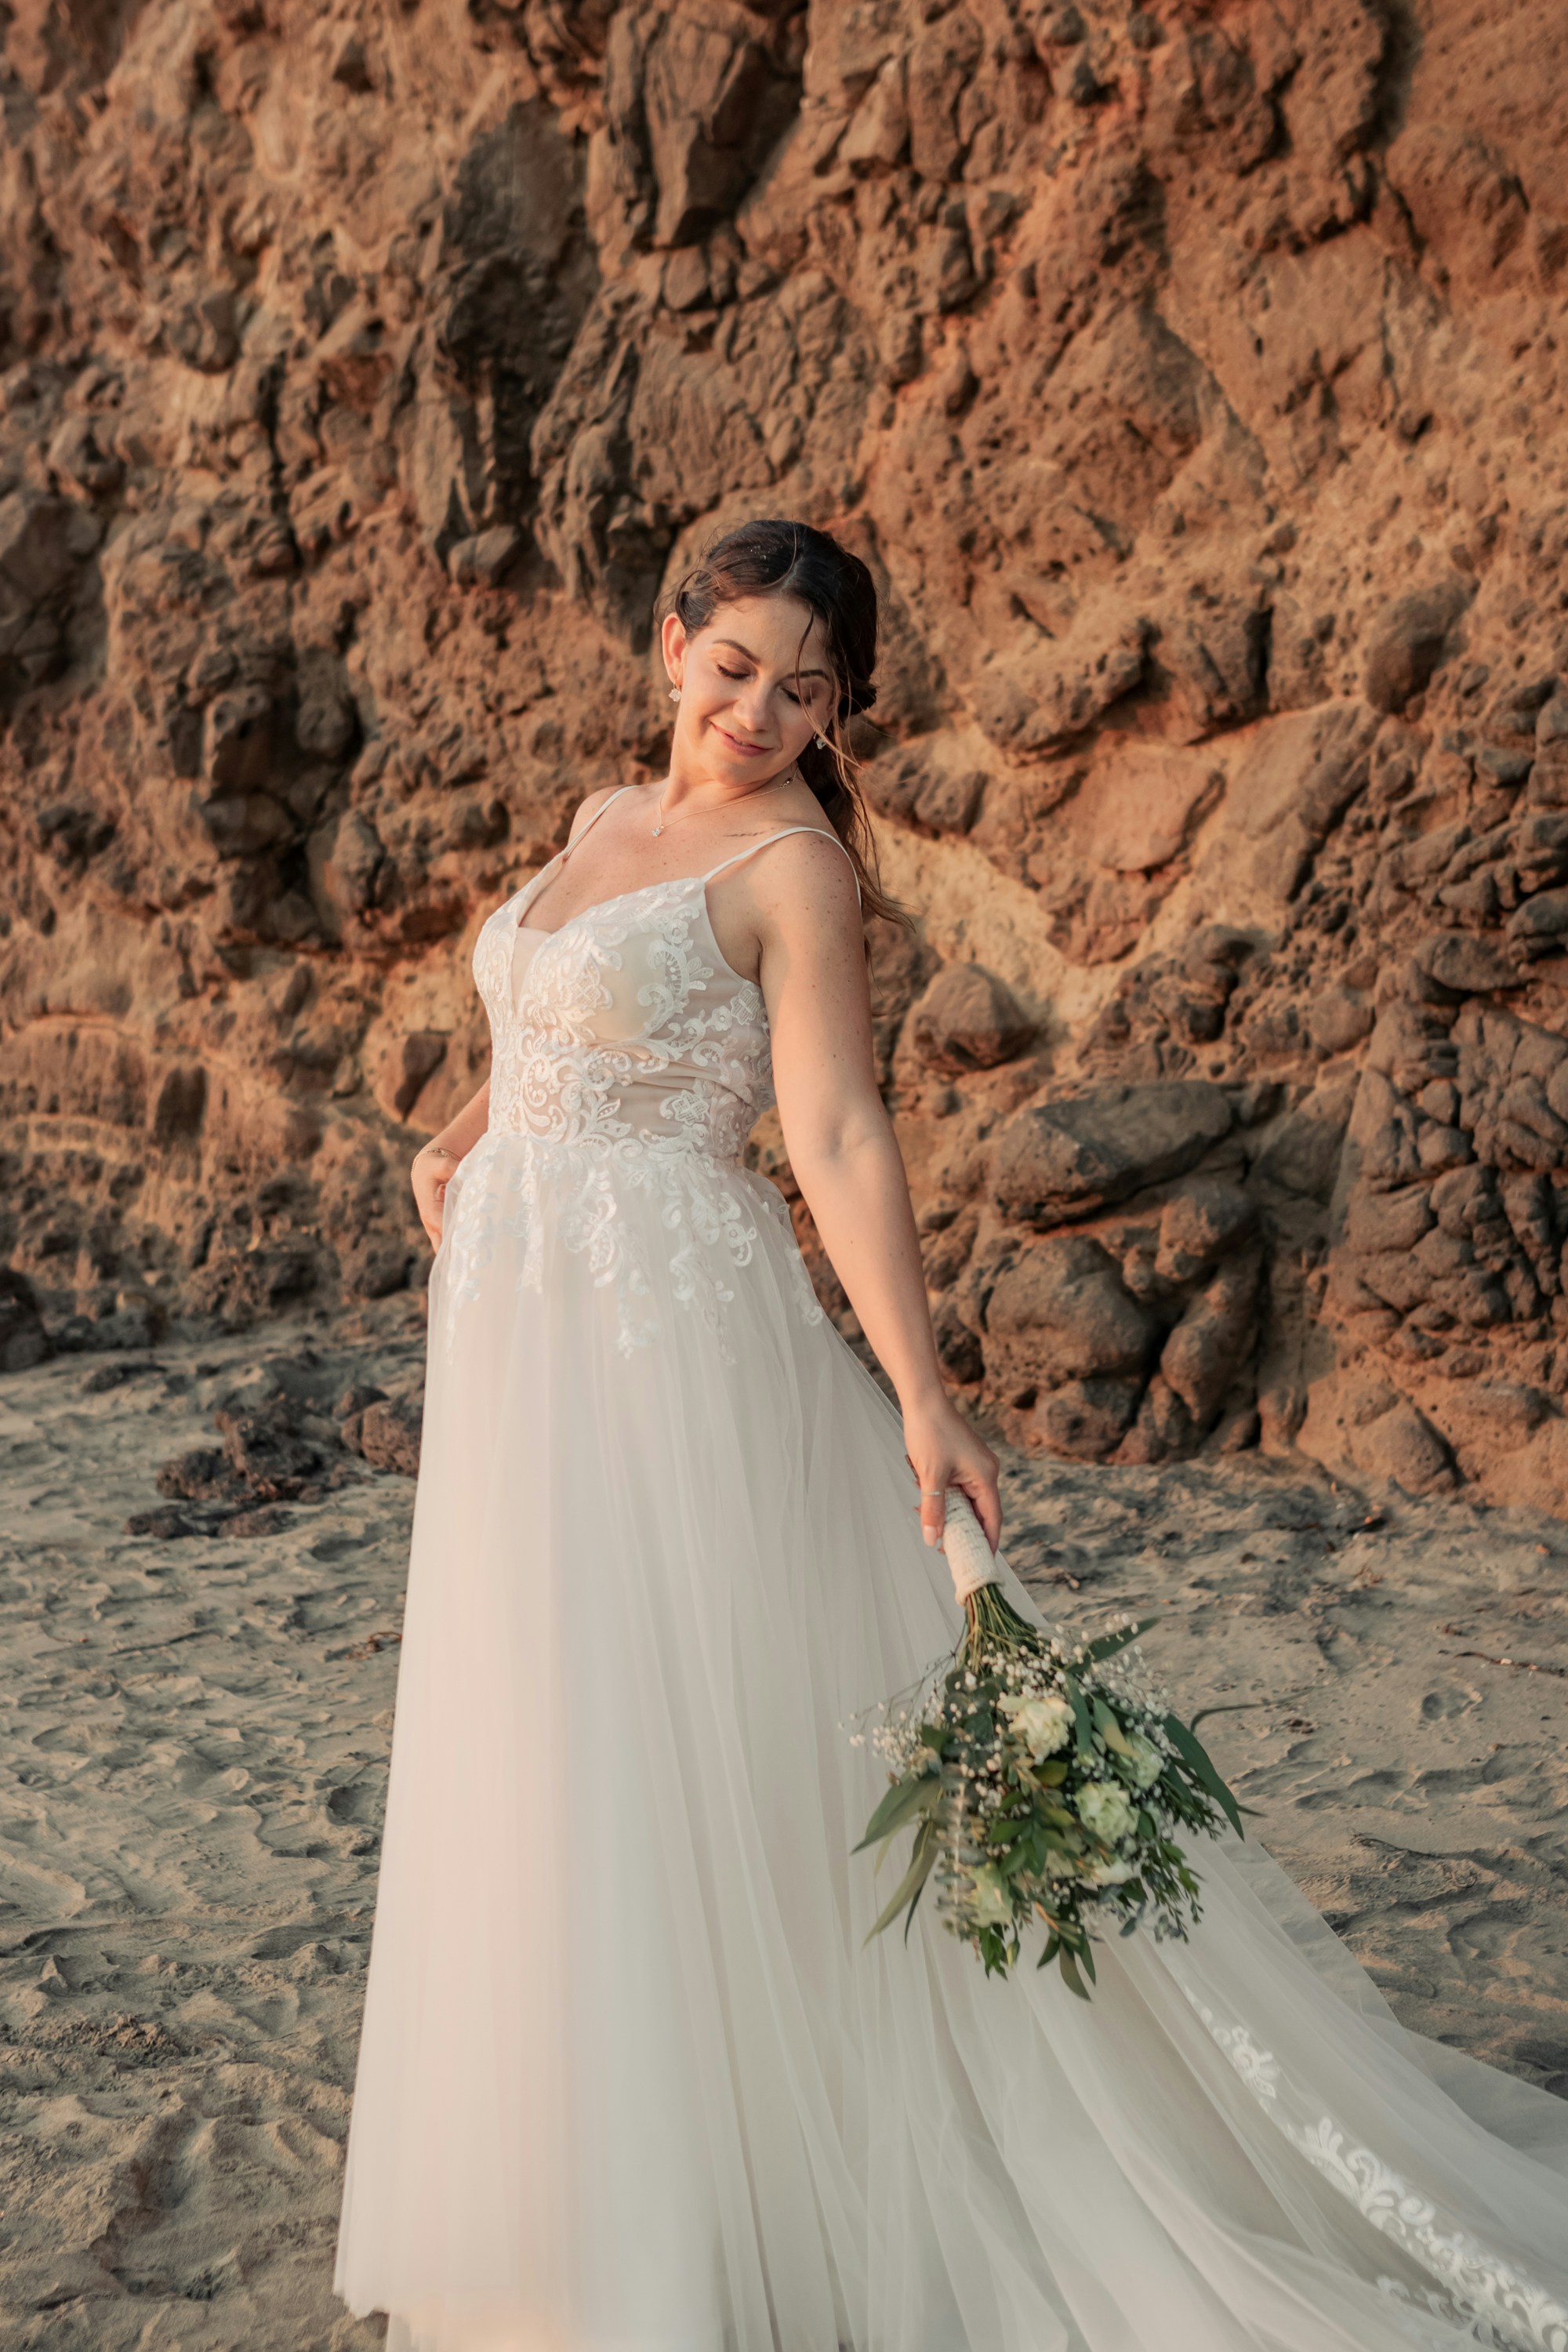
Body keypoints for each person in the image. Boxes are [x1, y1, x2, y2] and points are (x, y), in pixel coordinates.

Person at [335, 520, 1566, 2352]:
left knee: (672, 1728)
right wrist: (465, 1130)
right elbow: (553, 1020)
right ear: (670, 647)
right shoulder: (603, 824)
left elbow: (831, 1138)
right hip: (530, 1333)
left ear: (839, 709)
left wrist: (923, 1393)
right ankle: (575, 2190)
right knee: (548, 1727)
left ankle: (695, 2219)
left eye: (805, 687)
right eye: (735, 664)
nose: (761, 709)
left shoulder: (794, 869)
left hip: (663, 1335)